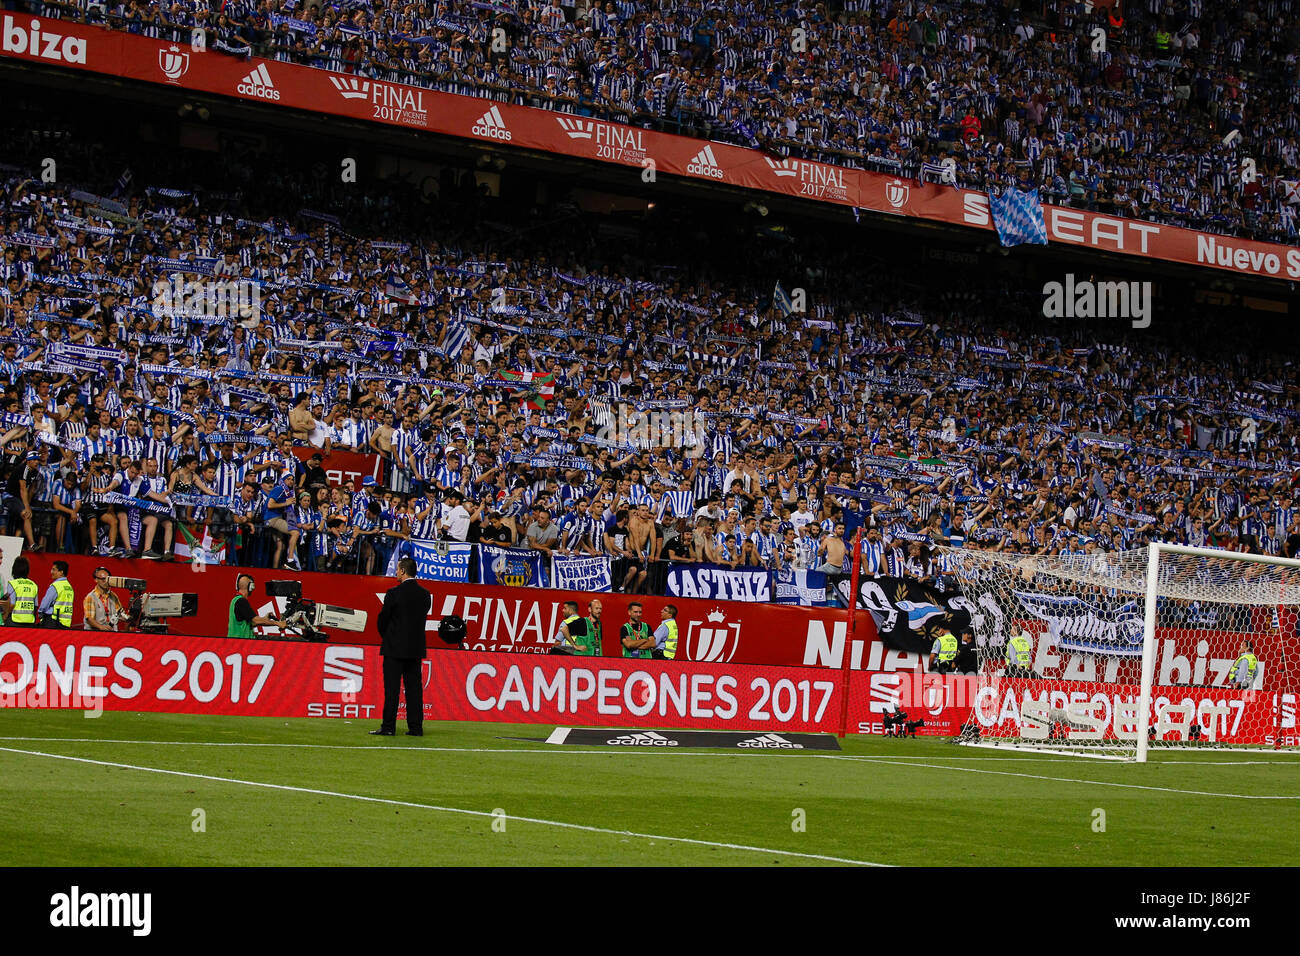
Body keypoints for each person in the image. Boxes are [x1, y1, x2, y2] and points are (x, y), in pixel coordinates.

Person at [372, 556, 433, 736]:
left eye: (398, 569)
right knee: (414, 689)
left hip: (394, 647)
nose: (396, 572)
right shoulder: (425, 594)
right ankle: (416, 727)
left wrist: (389, 636)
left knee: (392, 689)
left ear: (403, 571)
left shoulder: (393, 593)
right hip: (415, 648)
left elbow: (382, 620)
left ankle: (389, 727)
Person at [227, 572, 283, 639]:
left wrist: (265, 619)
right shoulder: (242, 601)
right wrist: (278, 623)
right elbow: (256, 620)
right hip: (241, 644)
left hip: (235, 643)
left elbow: (252, 623)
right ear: (250, 586)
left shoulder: (235, 600)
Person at [82, 567, 126, 632]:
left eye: (108, 579)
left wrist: (127, 617)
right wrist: (101, 627)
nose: (105, 581)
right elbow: (89, 619)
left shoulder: (113, 596)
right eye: (103, 579)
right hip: (95, 634)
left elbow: (120, 613)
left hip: (111, 634)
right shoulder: (91, 597)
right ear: (96, 580)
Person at [1, 556, 39, 626]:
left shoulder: (13, 584)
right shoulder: (33, 585)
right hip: (30, 621)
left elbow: (12, 604)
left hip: (14, 621)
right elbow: (35, 606)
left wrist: (5, 616)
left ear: (14, 569)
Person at [37, 559, 75, 628]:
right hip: (65, 623)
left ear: (61, 572)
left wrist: (40, 613)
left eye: (54, 570)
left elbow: (45, 604)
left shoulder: (55, 586)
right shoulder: (69, 587)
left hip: (53, 622)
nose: (51, 572)